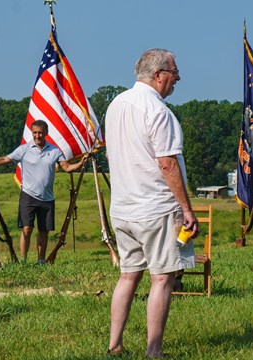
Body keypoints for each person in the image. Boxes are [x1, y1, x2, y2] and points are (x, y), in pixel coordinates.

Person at [104, 48, 200, 358]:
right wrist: (186, 209)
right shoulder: (159, 112)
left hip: (122, 207)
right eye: (174, 72)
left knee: (128, 275)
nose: (178, 78)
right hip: (155, 207)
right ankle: (154, 351)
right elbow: (167, 164)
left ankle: (115, 344)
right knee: (162, 277)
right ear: (158, 76)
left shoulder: (116, 104)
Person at [0, 120, 86, 264]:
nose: (38, 136)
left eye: (40, 132)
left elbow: (66, 167)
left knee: (44, 231)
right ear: (32, 133)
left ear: (46, 133)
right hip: (28, 196)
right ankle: (23, 260)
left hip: (47, 198)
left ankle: (41, 260)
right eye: (35, 132)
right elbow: (6, 159)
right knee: (27, 228)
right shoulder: (24, 149)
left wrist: (80, 163)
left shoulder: (55, 151)